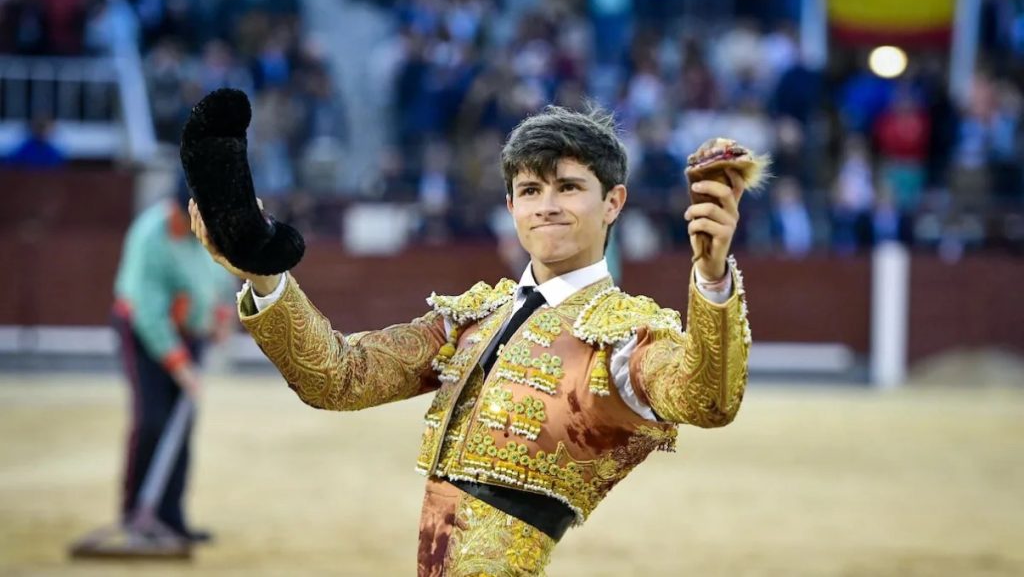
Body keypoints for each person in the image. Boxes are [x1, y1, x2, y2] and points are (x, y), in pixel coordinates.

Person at [189, 106, 751, 575]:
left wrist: (711, 278)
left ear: (613, 202)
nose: (547, 205)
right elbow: (339, 378)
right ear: (511, 207)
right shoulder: (472, 320)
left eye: (569, 187)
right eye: (530, 190)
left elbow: (704, 397)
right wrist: (264, 276)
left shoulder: (622, 336)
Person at [112, 182, 235, 543]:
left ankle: (170, 518)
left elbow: (219, 278)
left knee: (181, 425)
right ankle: (136, 516)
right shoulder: (150, 235)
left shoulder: (208, 229)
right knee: (152, 420)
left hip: (190, 333)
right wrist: (179, 365)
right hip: (143, 334)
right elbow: (148, 311)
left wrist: (220, 316)